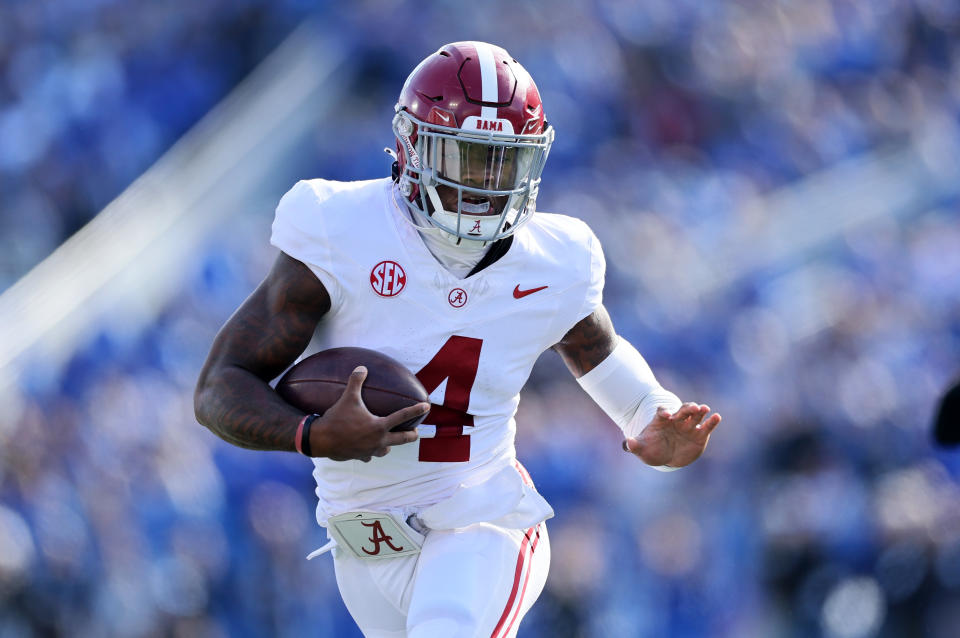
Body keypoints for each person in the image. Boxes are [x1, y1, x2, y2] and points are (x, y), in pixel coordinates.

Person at [195, 41, 722, 638]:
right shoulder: (341, 232)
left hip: (483, 521)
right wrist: (310, 435)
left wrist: (648, 412)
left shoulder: (555, 260)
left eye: (503, 161)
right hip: (366, 542)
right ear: (411, 146)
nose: (485, 183)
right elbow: (219, 386)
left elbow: (596, 352)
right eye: (466, 157)